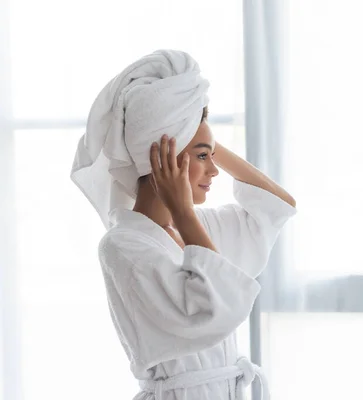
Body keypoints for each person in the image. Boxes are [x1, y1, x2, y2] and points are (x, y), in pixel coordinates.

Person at [71, 49, 296, 400]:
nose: (215, 169)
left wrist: (196, 130)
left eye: (211, 154)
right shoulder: (124, 245)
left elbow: (276, 206)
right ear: (163, 160)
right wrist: (183, 210)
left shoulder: (192, 229)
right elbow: (215, 308)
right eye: (204, 157)